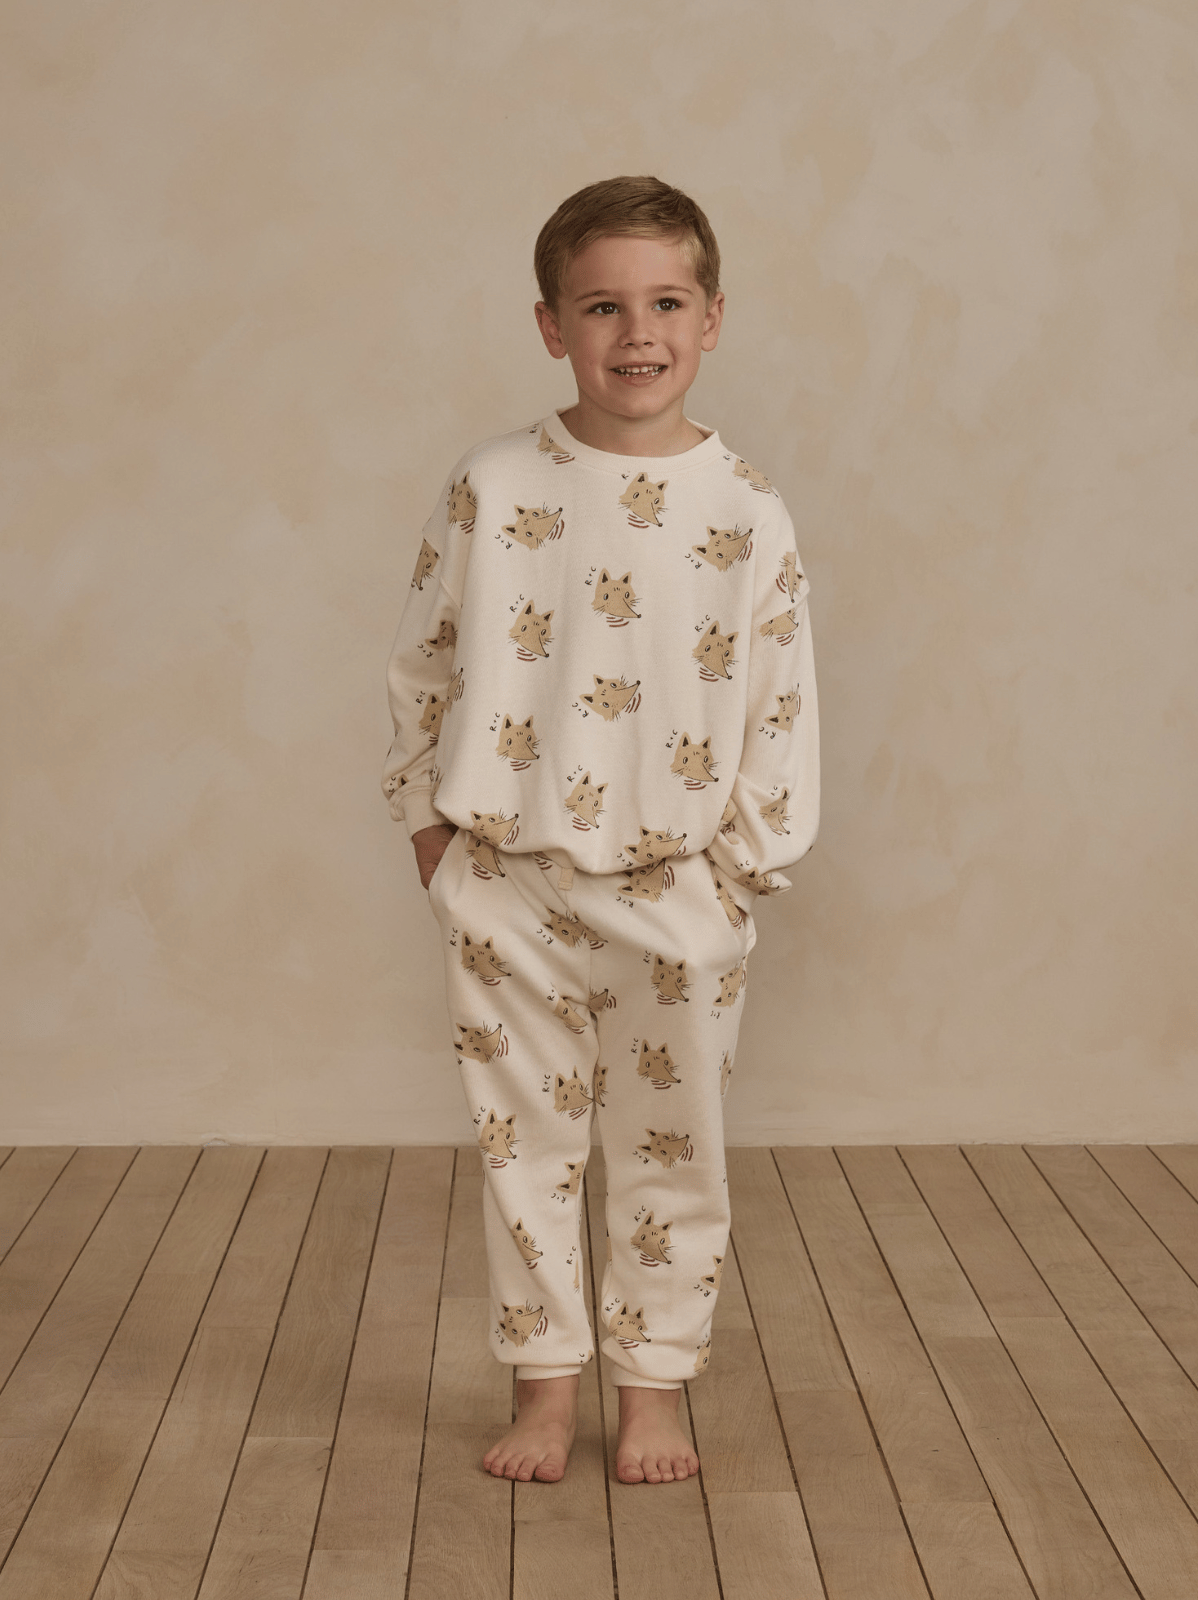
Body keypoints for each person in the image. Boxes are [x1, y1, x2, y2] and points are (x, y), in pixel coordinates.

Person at [381, 175, 819, 1487]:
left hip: (678, 886)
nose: (638, 334)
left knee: (671, 1155)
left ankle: (654, 1391)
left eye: (666, 303)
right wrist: (429, 831)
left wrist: (741, 873)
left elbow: (779, 698)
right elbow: (424, 658)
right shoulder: (495, 483)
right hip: (506, 882)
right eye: (602, 307)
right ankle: (542, 1389)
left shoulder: (745, 507)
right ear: (550, 324)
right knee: (523, 1150)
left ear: (712, 318)